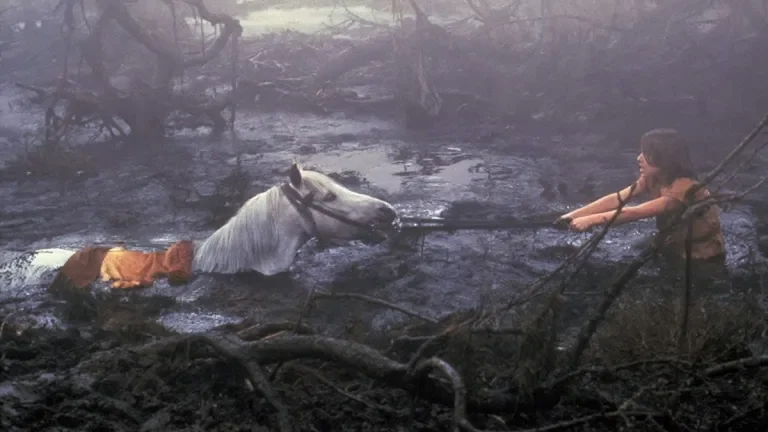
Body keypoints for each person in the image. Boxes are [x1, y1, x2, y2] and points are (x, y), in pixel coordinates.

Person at [558, 128, 726, 264]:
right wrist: (572, 216)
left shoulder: (685, 189)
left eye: (646, 154)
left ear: (664, 159)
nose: (639, 158)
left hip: (701, 257)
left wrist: (590, 220)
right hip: (671, 243)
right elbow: (618, 198)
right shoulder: (653, 178)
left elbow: (635, 212)